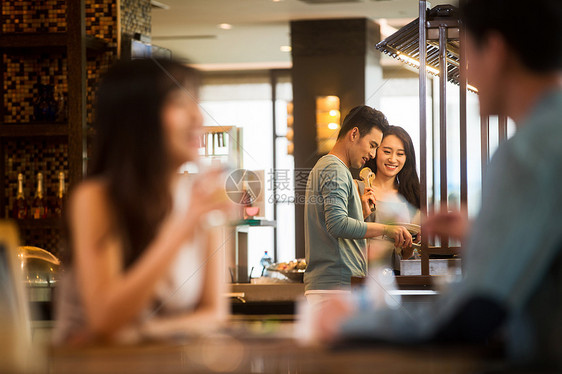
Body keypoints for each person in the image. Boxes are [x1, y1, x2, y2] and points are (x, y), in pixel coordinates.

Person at [311, 0, 562, 367]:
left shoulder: (526, 152)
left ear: (494, 50)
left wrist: (355, 322)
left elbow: (476, 310)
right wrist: (481, 236)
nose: (464, 70)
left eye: (466, 52)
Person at [53, 59, 232, 345]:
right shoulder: (97, 199)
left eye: (196, 102)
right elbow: (104, 318)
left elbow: (215, 312)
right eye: (178, 103)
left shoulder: (200, 199)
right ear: (138, 118)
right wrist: (183, 225)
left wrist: (143, 333)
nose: (198, 117)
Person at [304, 106, 412, 305]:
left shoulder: (331, 167)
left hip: (332, 286)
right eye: (372, 145)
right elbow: (336, 225)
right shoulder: (334, 168)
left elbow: (334, 228)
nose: (372, 154)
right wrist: (388, 229)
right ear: (354, 134)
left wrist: (360, 213)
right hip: (334, 288)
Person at [359, 126, 421, 273]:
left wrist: (412, 246)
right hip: (361, 274)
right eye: (387, 151)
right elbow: (343, 232)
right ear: (375, 152)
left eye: (400, 154)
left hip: (398, 277)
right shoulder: (359, 188)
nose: (393, 159)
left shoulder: (410, 196)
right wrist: (362, 212)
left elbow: (407, 256)